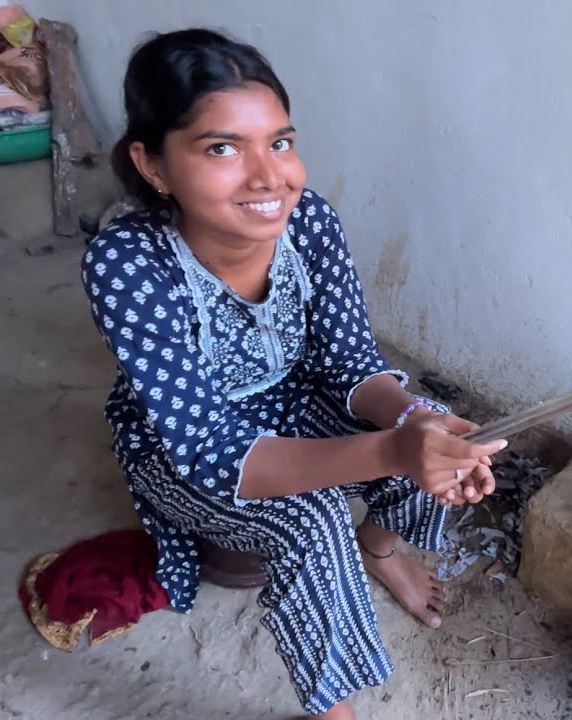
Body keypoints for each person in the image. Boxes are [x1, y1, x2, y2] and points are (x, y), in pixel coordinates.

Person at [79, 27, 508, 720]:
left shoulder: (307, 221)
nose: (269, 177)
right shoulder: (127, 265)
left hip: (292, 399)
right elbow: (209, 450)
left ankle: (381, 544)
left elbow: (349, 364)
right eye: (221, 148)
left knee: (421, 414)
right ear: (152, 164)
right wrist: (392, 448)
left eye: (279, 142)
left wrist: (411, 424)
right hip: (181, 450)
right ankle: (333, 708)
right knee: (309, 519)